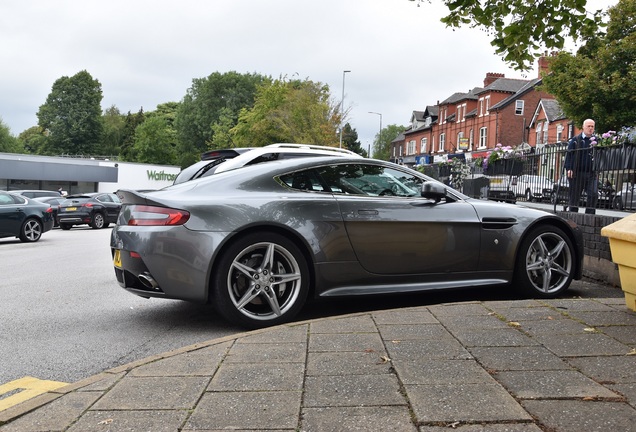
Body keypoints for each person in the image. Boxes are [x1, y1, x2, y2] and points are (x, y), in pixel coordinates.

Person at [564, 118, 598, 214]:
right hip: (577, 173)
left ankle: (589, 215)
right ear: (583, 127)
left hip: (591, 173)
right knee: (574, 196)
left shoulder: (596, 141)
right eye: (588, 126)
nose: (590, 128)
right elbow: (569, 155)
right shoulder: (575, 140)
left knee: (594, 194)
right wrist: (569, 168)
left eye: (592, 126)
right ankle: (573, 215)